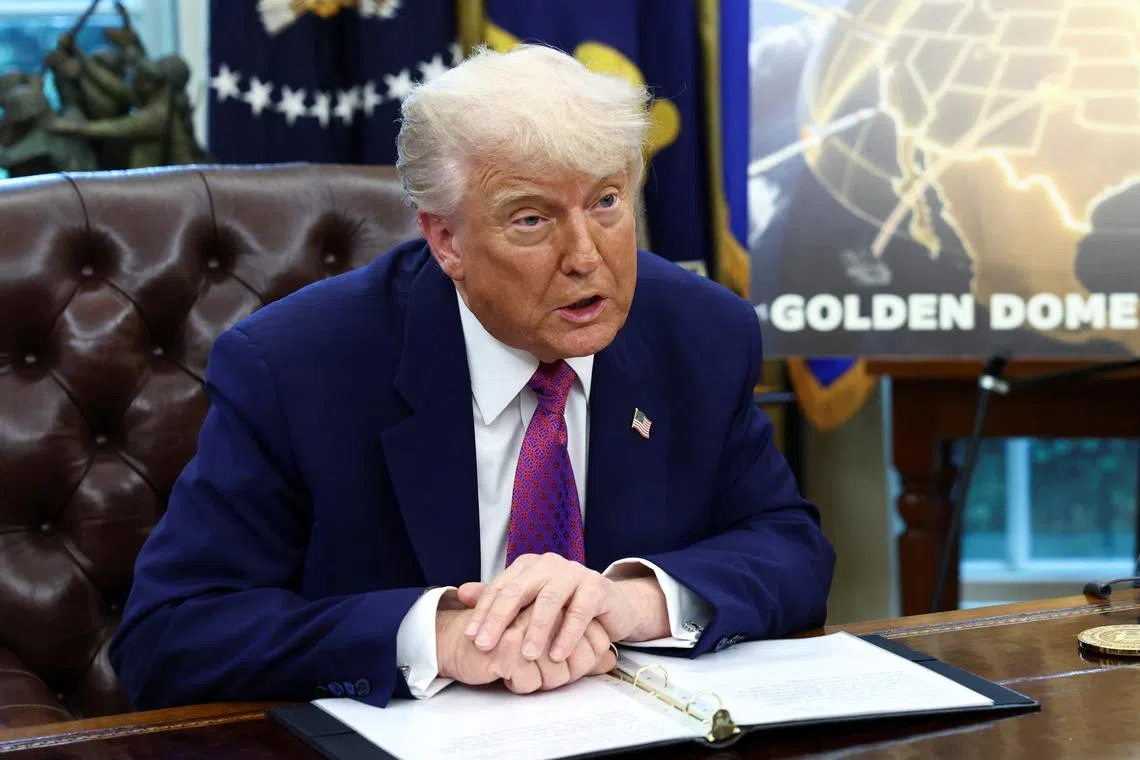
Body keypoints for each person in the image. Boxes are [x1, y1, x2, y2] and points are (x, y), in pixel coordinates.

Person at [109, 44, 835, 709]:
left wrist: (633, 600)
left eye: (606, 202)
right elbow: (170, 636)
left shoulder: (700, 333)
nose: (586, 257)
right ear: (445, 240)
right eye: (532, 220)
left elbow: (790, 549)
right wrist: (438, 637)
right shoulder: (297, 368)